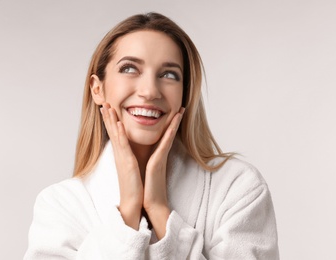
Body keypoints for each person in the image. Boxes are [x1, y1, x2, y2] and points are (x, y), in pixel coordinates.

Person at [24, 12, 279, 259]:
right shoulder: (60, 205)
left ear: (184, 94)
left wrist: (159, 210)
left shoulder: (237, 189)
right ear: (97, 89)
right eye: (129, 68)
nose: (149, 91)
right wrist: (127, 211)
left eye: (169, 75)